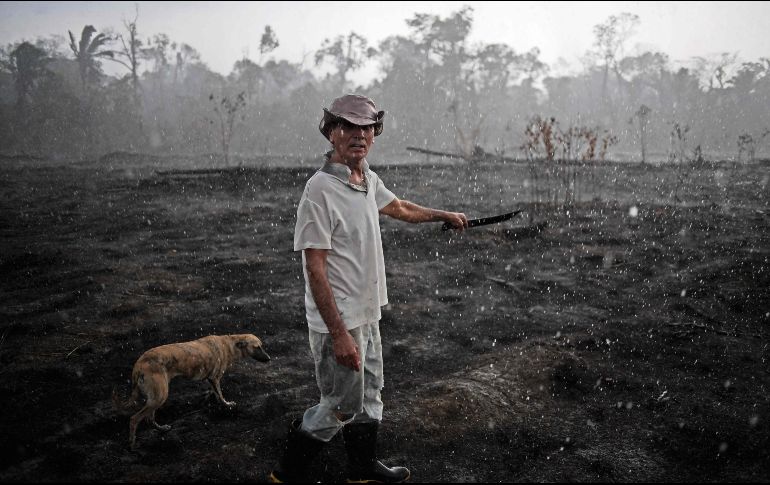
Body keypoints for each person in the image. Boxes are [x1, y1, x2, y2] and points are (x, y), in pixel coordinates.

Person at [269, 94, 468, 483]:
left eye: (367, 128)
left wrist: (442, 215)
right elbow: (315, 268)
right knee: (341, 403)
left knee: (370, 394)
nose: (359, 135)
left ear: (374, 134)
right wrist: (340, 334)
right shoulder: (319, 191)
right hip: (339, 322)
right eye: (348, 127)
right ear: (331, 133)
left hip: (368, 312)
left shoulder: (366, 179)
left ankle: (361, 470)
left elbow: (400, 208)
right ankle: (286, 473)